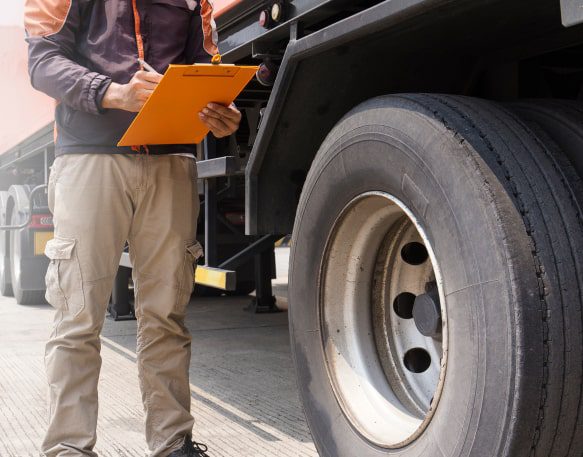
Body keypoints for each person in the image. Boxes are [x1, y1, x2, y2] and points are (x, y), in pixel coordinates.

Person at [24, 1, 241, 456]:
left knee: (166, 314)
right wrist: (112, 92)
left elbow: (204, 68)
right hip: (90, 160)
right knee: (78, 315)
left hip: (171, 159)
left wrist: (222, 111)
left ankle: (171, 442)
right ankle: (68, 447)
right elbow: (43, 62)